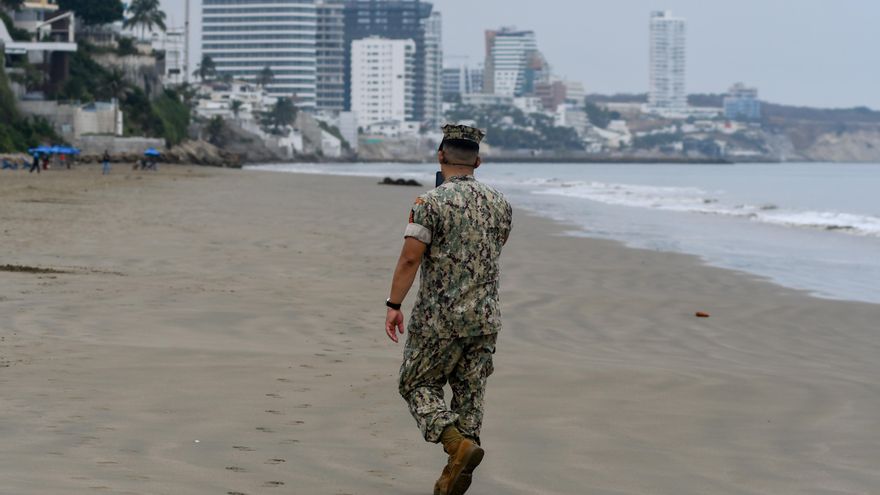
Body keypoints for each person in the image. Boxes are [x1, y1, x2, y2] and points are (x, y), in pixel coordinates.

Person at [385, 124, 513, 495]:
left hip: (439, 319)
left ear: (441, 156)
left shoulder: (430, 203)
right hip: (485, 318)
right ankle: (454, 474)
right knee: (470, 395)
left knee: (415, 383)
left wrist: (394, 304)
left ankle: (456, 446)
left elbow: (411, 259)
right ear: (478, 160)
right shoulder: (500, 203)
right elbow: (493, 248)